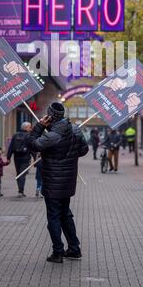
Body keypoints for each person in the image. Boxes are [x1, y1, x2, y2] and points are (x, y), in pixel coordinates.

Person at [27, 102, 89, 264]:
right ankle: (74, 249)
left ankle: (58, 252)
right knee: (66, 215)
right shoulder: (75, 130)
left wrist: (40, 126)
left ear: (50, 116)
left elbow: (32, 144)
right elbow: (83, 150)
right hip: (68, 182)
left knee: (54, 217)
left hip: (53, 183)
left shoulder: (52, 136)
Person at [7, 122, 32, 197]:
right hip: (25, 158)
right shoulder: (28, 136)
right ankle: (21, 191)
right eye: (29, 127)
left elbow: (11, 147)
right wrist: (35, 157)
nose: (30, 129)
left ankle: (20, 190)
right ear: (26, 128)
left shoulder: (15, 135)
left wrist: (8, 158)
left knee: (18, 174)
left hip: (16, 158)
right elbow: (32, 147)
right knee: (22, 174)